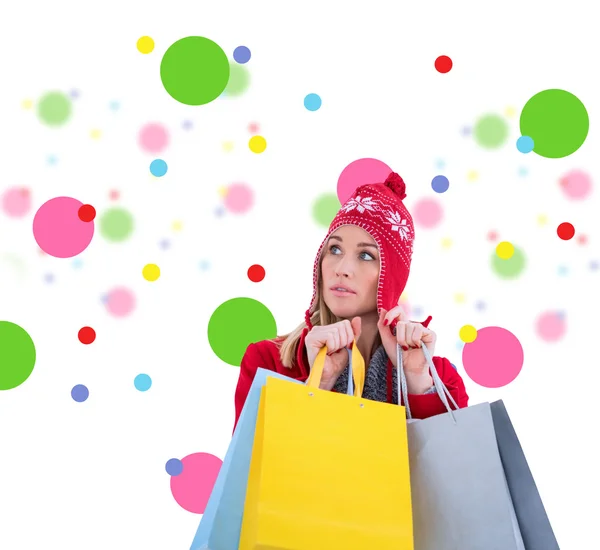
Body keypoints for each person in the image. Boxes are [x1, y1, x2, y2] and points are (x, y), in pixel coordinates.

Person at [233, 171, 469, 430]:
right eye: (334, 249)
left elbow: (456, 465)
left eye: (366, 255)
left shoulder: (438, 378)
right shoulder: (268, 362)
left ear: (392, 277)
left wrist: (416, 381)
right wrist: (318, 385)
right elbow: (249, 466)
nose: (342, 268)